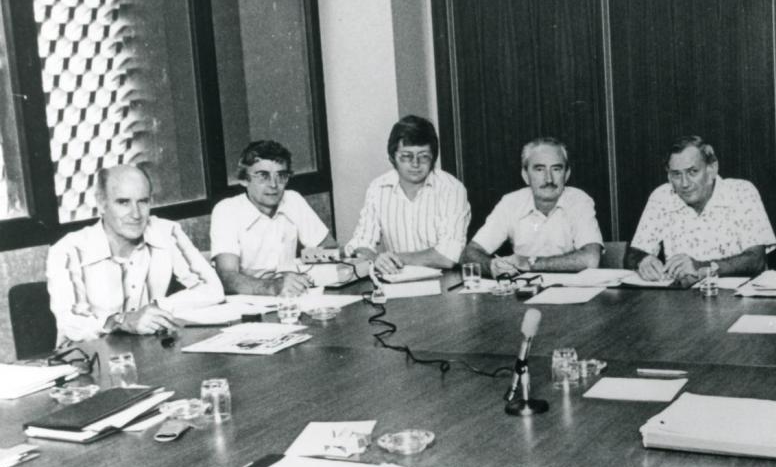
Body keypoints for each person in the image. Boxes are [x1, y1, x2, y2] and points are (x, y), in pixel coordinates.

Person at [46, 165, 223, 343]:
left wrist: (156, 307)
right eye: (123, 202)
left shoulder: (166, 232)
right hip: (86, 354)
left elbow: (212, 288)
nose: (136, 214)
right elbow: (70, 321)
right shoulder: (68, 250)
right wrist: (121, 321)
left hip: (144, 350)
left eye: (143, 201)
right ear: (101, 203)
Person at [625, 135, 776, 286]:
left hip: (735, 295)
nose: (684, 183)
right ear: (669, 176)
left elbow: (756, 260)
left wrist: (701, 267)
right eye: (676, 174)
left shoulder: (741, 192)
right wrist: (642, 260)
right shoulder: (661, 197)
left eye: (693, 171)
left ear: (712, 169)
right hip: (680, 297)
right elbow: (632, 255)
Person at [210, 140, 340, 296]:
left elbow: (330, 248)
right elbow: (227, 276)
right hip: (248, 301)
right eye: (263, 176)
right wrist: (272, 286)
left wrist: (301, 269)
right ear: (244, 179)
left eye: (281, 176)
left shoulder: (293, 200)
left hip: (290, 297)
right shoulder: (227, 210)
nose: (273, 184)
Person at [344, 115, 470, 274]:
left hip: (445, 282)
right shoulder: (378, 188)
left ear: (433, 158)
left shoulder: (452, 190)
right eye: (406, 156)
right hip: (395, 279)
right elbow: (359, 243)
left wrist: (393, 258)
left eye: (423, 156)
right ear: (392, 157)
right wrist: (375, 259)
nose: (415, 164)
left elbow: (448, 256)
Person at [460, 137, 602, 277]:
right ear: (525, 176)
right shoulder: (511, 202)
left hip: (571, 288)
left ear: (567, 174)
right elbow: (469, 253)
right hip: (525, 288)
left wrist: (529, 263)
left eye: (556, 169)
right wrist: (492, 266)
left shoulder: (579, 201)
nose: (549, 179)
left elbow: (591, 259)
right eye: (539, 169)